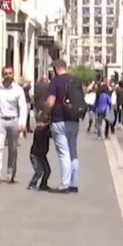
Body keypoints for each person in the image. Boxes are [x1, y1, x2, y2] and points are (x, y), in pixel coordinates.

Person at [44, 59, 82, 193]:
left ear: (55, 69)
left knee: (63, 153)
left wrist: (44, 111)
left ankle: (64, 184)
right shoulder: (76, 81)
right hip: (74, 120)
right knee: (73, 152)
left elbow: (50, 102)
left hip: (59, 120)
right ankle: (74, 183)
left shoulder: (56, 81)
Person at [0, 66, 28, 184]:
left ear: (13, 74)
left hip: (13, 121)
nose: (8, 76)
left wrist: (22, 122)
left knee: (13, 148)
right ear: (3, 75)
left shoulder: (18, 89)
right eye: (6, 73)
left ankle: (11, 173)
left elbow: (22, 107)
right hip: (0, 120)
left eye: (10, 73)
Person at [27, 108, 52, 192]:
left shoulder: (46, 130)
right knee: (39, 171)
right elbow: (44, 131)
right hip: (35, 155)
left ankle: (43, 184)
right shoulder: (39, 130)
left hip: (42, 155)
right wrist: (49, 125)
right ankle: (32, 183)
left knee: (47, 170)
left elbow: (51, 135)